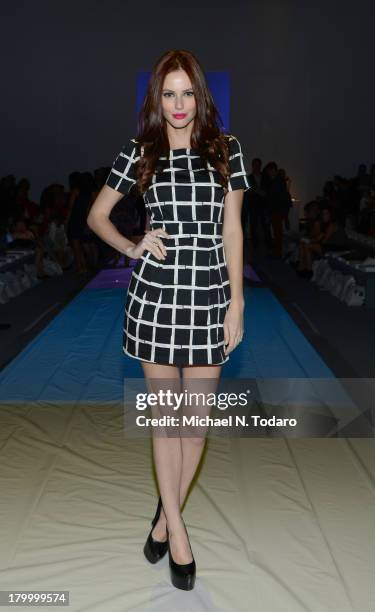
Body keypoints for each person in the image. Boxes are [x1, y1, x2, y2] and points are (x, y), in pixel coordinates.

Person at [87, 49, 249, 591]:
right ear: (156, 99)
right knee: (166, 421)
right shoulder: (141, 151)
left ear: (200, 96)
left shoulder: (227, 151)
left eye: (186, 93)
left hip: (208, 297)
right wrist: (133, 246)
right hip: (156, 298)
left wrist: (237, 301)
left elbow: (232, 231)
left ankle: (161, 516)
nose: (178, 104)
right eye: (167, 93)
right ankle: (177, 530)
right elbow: (96, 216)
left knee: (196, 427)